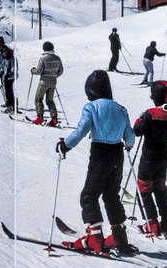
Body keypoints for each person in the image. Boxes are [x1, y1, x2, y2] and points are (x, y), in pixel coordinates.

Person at [57, 70, 137, 255]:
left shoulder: (91, 107)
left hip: (100, 153)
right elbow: (130, 136)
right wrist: (129, 145)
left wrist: (65, 145)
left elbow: (80, 130)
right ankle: (119, 236)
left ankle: (94, 238)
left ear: (91, 91)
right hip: (117, 153)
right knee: (111, 195)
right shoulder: (121, 108)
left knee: (89, 195)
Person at [132, 80, 167, 239]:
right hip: (164, 153)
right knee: (160, 187)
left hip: (150, 154)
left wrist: (141, 119)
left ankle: (151, 224)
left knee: (144, 188)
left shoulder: (151, 113)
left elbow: (137, 131)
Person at [29, 41, 63, 126]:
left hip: (43, 82)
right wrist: (54, 75)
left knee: (38, 98)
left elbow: (39, 71)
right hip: (53, 82)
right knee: (50, 100)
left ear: (44, 49)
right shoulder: (57, 58)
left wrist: (33, 71)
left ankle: (40, 117)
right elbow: (61, 71)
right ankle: (54, 118)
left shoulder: (43, 58)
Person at [0, 37, 17, 113]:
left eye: (3, 53)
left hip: (10, 76)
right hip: (7, 75)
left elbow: (10, 67)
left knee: (9, 91)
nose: (2, 54)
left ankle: (11, 106)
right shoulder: (5, 55)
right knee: (8, 90)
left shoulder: (8, 56)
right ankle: (11, 104)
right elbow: (3, 65)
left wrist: (6, 74)